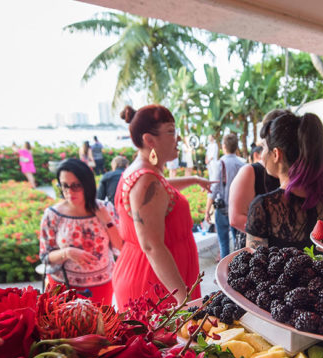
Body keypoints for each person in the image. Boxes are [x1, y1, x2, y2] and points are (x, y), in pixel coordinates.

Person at [112, 104, 212, 308]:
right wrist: (184, 298)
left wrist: (193, 179)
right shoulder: (146, 180)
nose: (177, 139)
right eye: (171, 132)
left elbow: (161, 188)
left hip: (154, 275)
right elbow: (151, 246)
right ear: (149, 140)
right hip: (155, 283)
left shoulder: (146, 174)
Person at [245, 111, 323, 250]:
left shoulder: (264, 207)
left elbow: (255, 266)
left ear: (276, 154)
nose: (262, 154)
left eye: (264, 147)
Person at [40, 158, 122, 304]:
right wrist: (67, 252)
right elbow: (45, 256)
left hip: (101, 287)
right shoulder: (53, 214)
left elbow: (120, 246)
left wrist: (107, 220)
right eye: (64, 186)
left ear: (87, 185)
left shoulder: (105, 208)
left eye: (76, 186)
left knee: (102, 325)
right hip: (63, 287)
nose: (69, 191)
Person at [229, 136, 282, 249]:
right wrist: (277, 236)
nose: (262, 154)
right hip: (256, 247)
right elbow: (235, 219)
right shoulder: (250, 171)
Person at [205, 132, 245, 258]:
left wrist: (207, 210)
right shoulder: (243, 164)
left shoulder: (219, 164)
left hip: (222, 209)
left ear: (224, 146)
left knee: (224, 245)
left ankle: (224, 274)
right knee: (239, 246)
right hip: (239, 210)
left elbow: (214, 188)